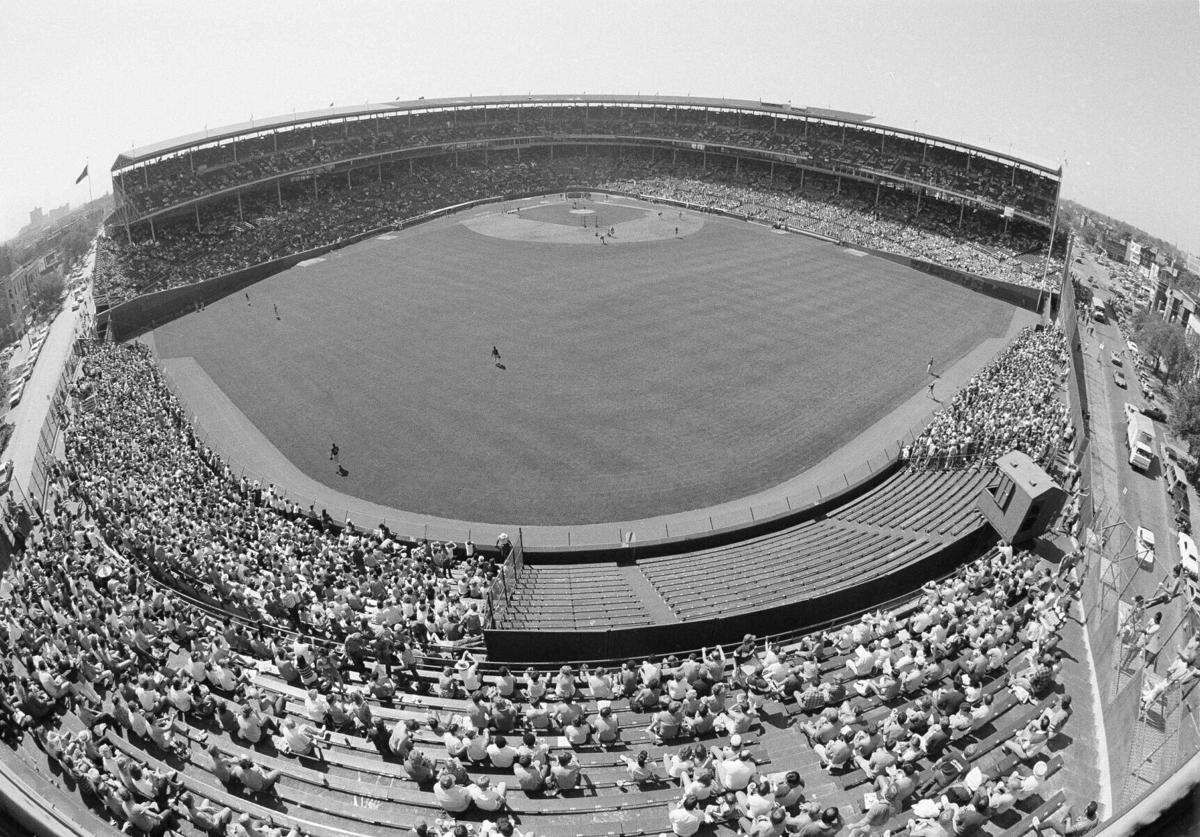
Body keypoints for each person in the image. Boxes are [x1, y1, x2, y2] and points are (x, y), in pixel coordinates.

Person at [1030, 800, 1100, 835]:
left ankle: (1037, 826)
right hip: (1080, 831)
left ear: (1086, 811)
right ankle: (1061, 825)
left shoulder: (1079, 825)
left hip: (1069, 834)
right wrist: (1082, 818)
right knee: (1073, 809)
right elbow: (1088, 823)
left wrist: (1069, 820)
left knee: (1052, 822)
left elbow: (1067, 831)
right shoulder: (1096, 816)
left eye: (1086, 806)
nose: (1085, 806)